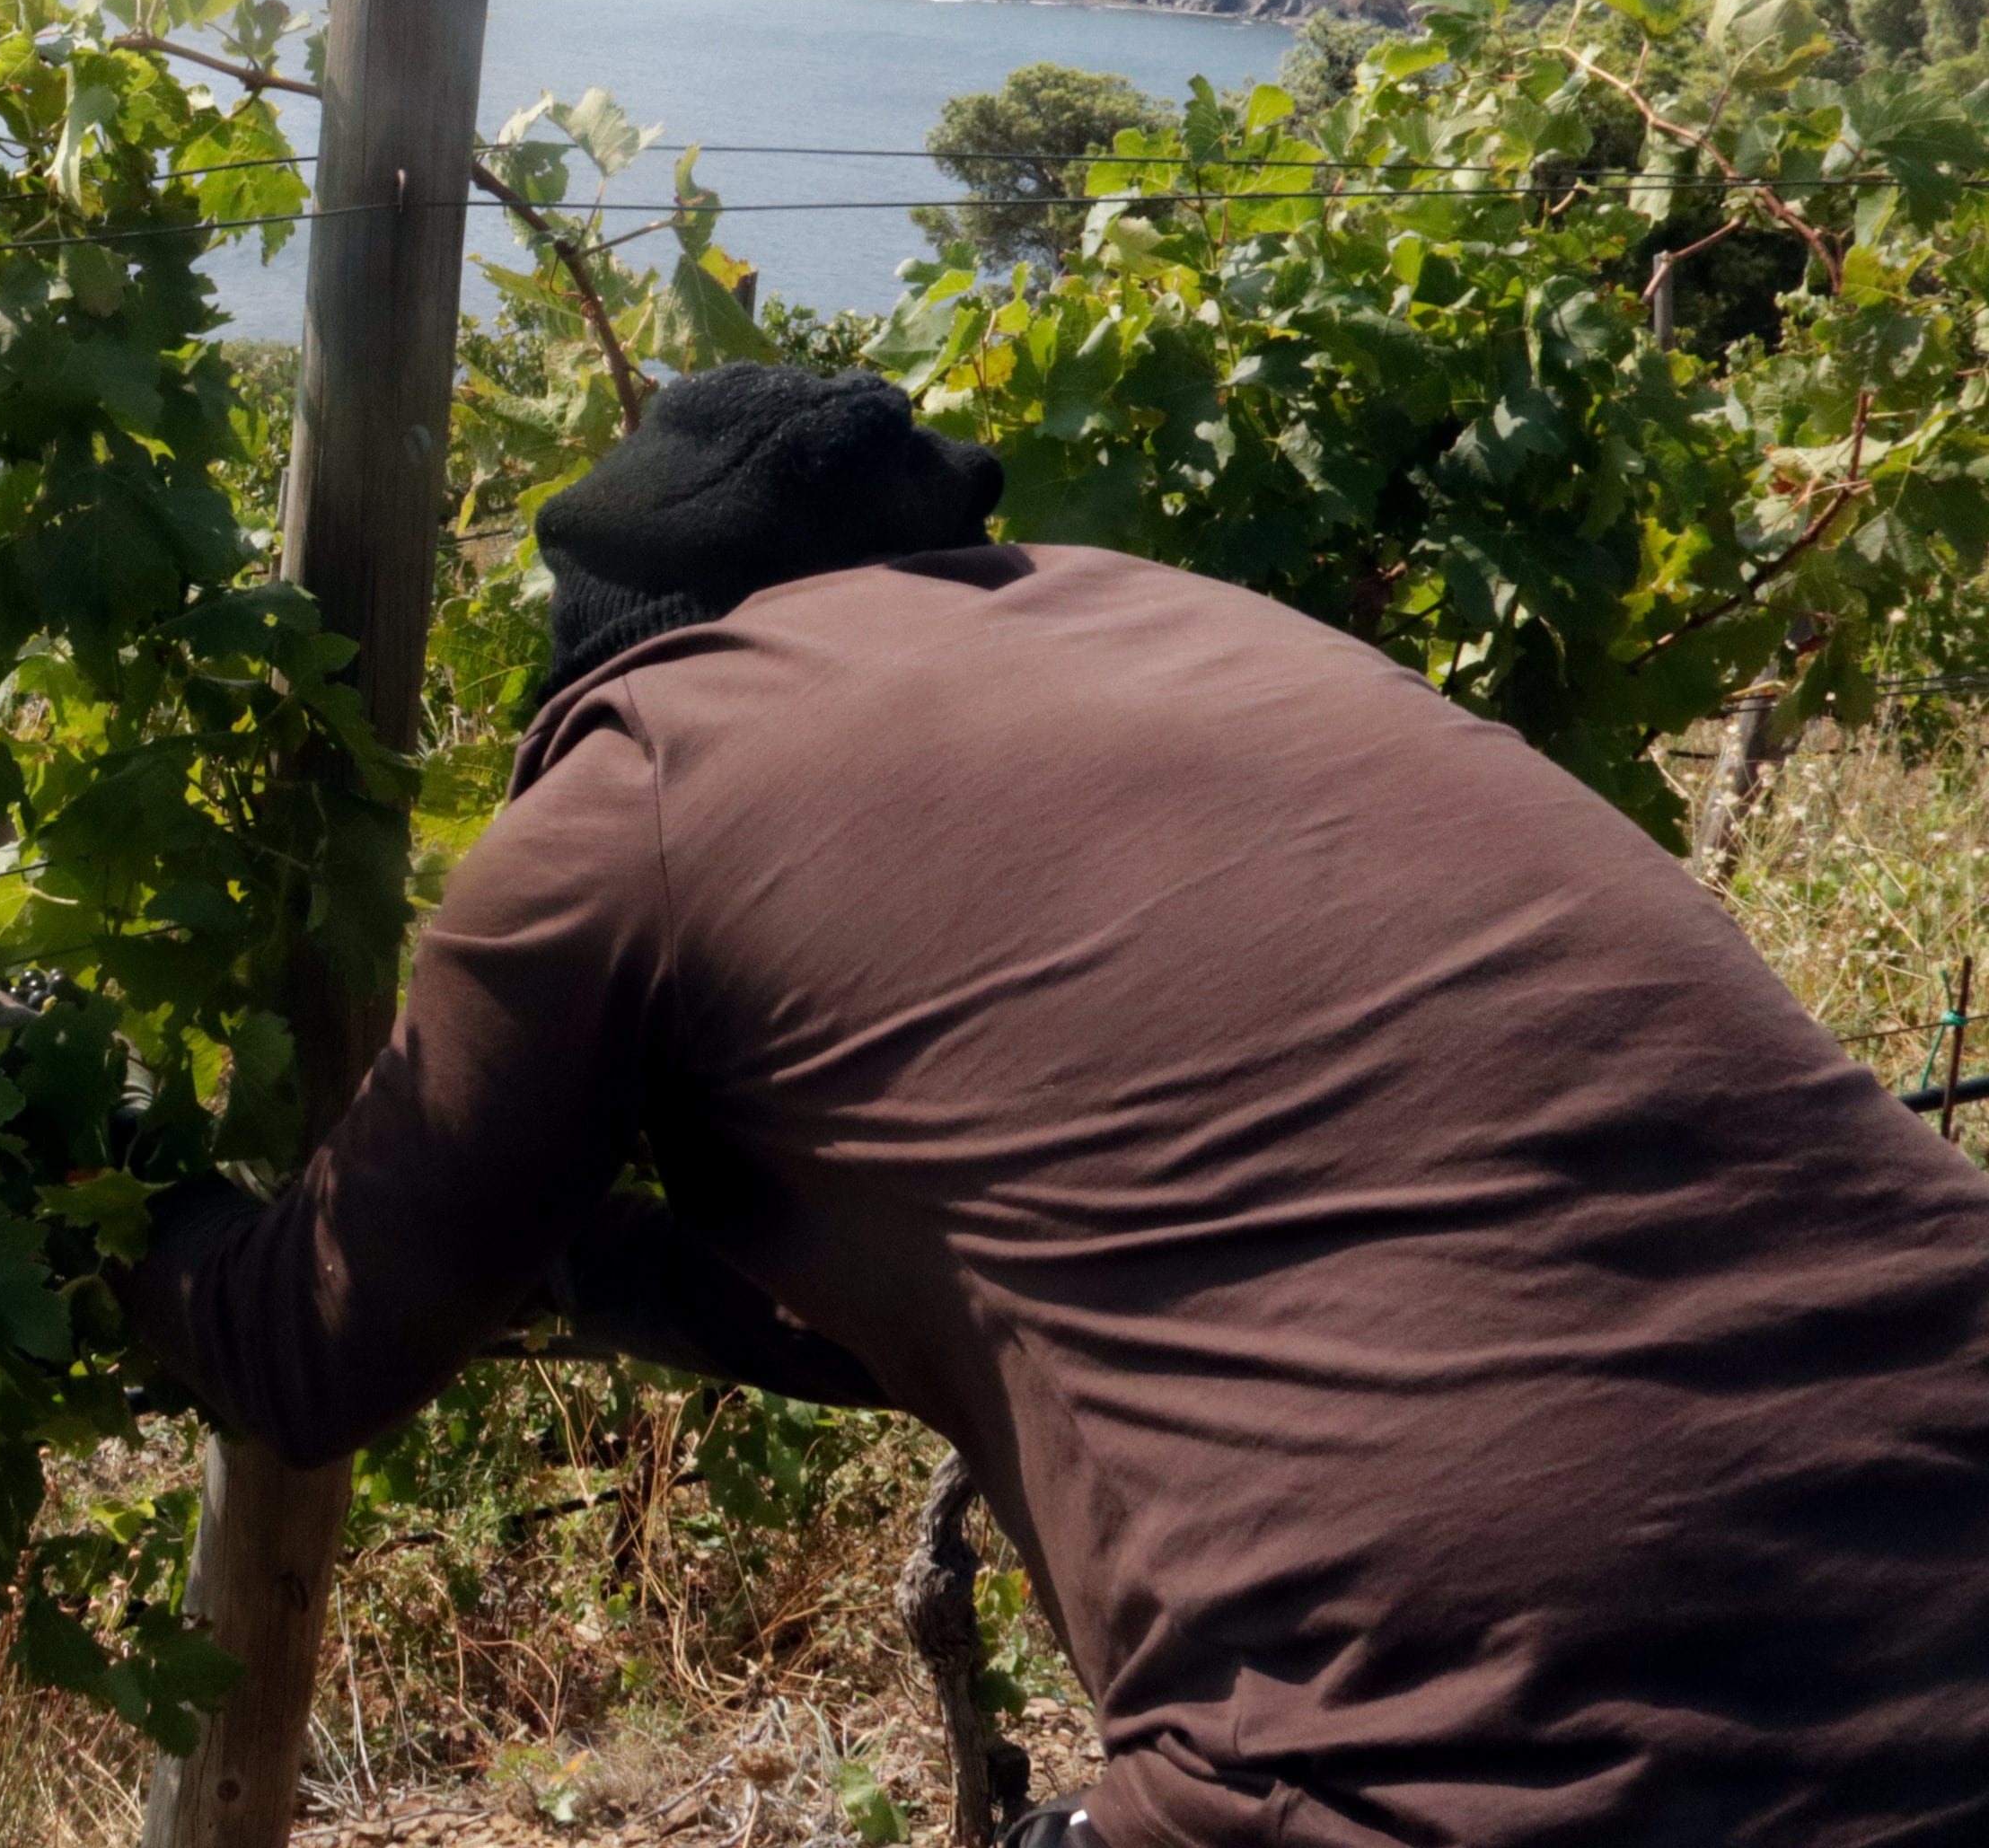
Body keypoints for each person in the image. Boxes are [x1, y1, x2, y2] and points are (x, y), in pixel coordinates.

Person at [123, 364, 1989, 1848]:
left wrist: (117, 1210)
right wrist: (570, 1261)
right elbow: (1049, 1242)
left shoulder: (636, 781)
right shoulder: (1192, 633)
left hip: (1474, 1732)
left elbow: (305, 1349)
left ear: (607, 650)